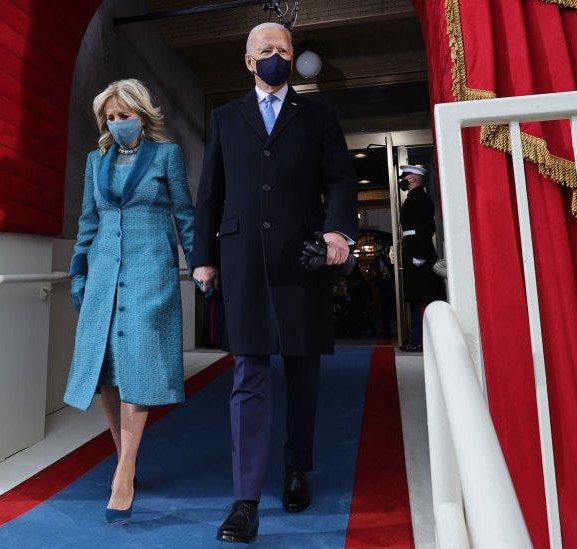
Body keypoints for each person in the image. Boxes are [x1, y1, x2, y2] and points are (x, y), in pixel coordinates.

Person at [191, 22, 357, 544]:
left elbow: (341, 179)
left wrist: (338, 231)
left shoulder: (319, 116)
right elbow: (210, 193)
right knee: (249, 375)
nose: (275, 57)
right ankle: (245, 500)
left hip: (302, 258)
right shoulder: (225, 118)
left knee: (303, 371)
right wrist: (204, 257)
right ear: (247, 61)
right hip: (242, 261)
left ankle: (296, 469)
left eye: (283, 49)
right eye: (265, 51)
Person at [64, 79, 194, 523]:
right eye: (111, 118)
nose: (118, 123)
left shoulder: (166, 155)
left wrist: (198, 264)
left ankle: (124, 473)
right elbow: (88, 219)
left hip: (149, 270)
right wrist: (78, 270)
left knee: (137, 362)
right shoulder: (94, 161)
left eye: (125, 115)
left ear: (143, 113)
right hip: (103, 271)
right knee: (107, 370)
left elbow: (185, 214)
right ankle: (127, 460)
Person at [398, 164, 442, 353]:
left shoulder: (421, 198)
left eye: (406, 175)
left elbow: (427, 228)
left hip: (419, 253)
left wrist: (420, 254)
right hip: (413, 251)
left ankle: (421, 340)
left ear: (415, 178)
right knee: (417, 298)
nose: (403, 179)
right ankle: (417, 339)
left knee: (422, 298)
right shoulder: (412, 198)